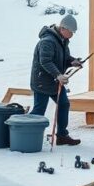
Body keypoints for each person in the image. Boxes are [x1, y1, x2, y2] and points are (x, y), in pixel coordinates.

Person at [30, 15, 83, 146]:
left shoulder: (62, 40)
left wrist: (73, 61)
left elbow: (63, 57)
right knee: (39, 110)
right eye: (71, 32)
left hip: (55, 81)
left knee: (64, 104)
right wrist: (58, 75)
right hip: (42, 80)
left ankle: (62, 136)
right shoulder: (47, 41)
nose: (72, 34)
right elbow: (45, 61)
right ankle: (27, 135)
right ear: (63, 28)